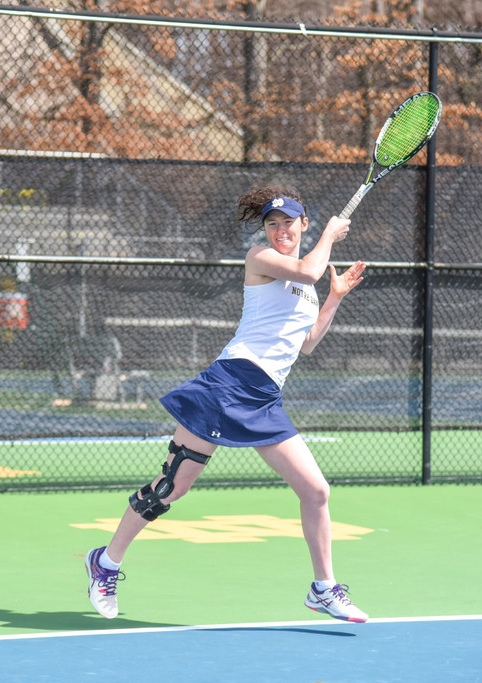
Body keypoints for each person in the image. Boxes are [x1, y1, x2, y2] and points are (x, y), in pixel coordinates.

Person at [84, 184, 369, 623]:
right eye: (273, 224)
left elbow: (307, 343)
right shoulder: (262, 258)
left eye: (288, 224)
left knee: (315, 491)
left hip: (264, 398)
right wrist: (330, 235)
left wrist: (335, 297)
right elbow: (311, 271)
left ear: (302, 224)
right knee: (169, 488)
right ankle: (105, 562)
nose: (280, 232)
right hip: (227, 387)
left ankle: (323, 588)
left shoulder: (307, 286)